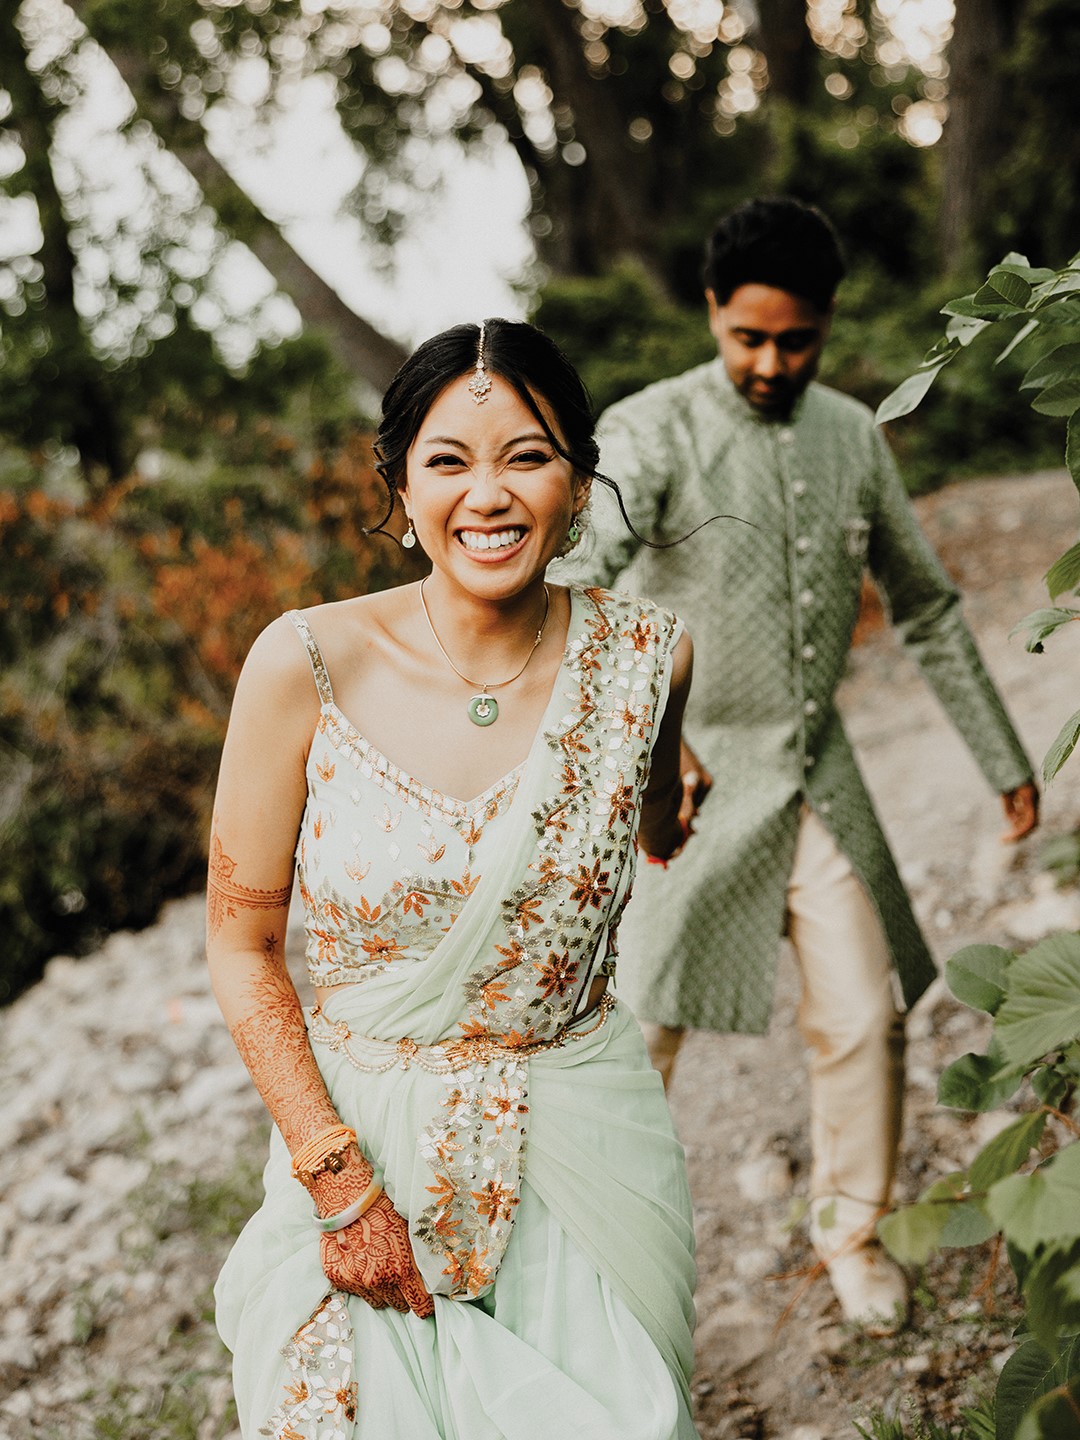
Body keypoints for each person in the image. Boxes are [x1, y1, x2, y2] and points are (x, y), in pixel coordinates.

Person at [206, 319, 702, 1440]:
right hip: (362, 1146)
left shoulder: (647, 658)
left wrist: (662, 796)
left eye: (528, 455)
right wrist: (339, 1184)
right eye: (450, 460)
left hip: (583, 1142)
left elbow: (660, 802)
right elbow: (239, 949)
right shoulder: (305, 662)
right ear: (399, 484)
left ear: (579, 481)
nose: (491, 494)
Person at [559, 196, 1039, 1333]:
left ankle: (852, 1233)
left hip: (817, 777)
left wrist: (1001, 757)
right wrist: (620, 757)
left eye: (797, 341)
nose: (771, 363)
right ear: (715, 311)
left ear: (826, 327)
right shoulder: (651, 429)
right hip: (682, 786)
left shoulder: (851, 435)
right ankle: (583, 1261)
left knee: (866, 1012)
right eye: (748, 338)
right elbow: (576, 580)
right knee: (636, 1033)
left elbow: (924, 608)